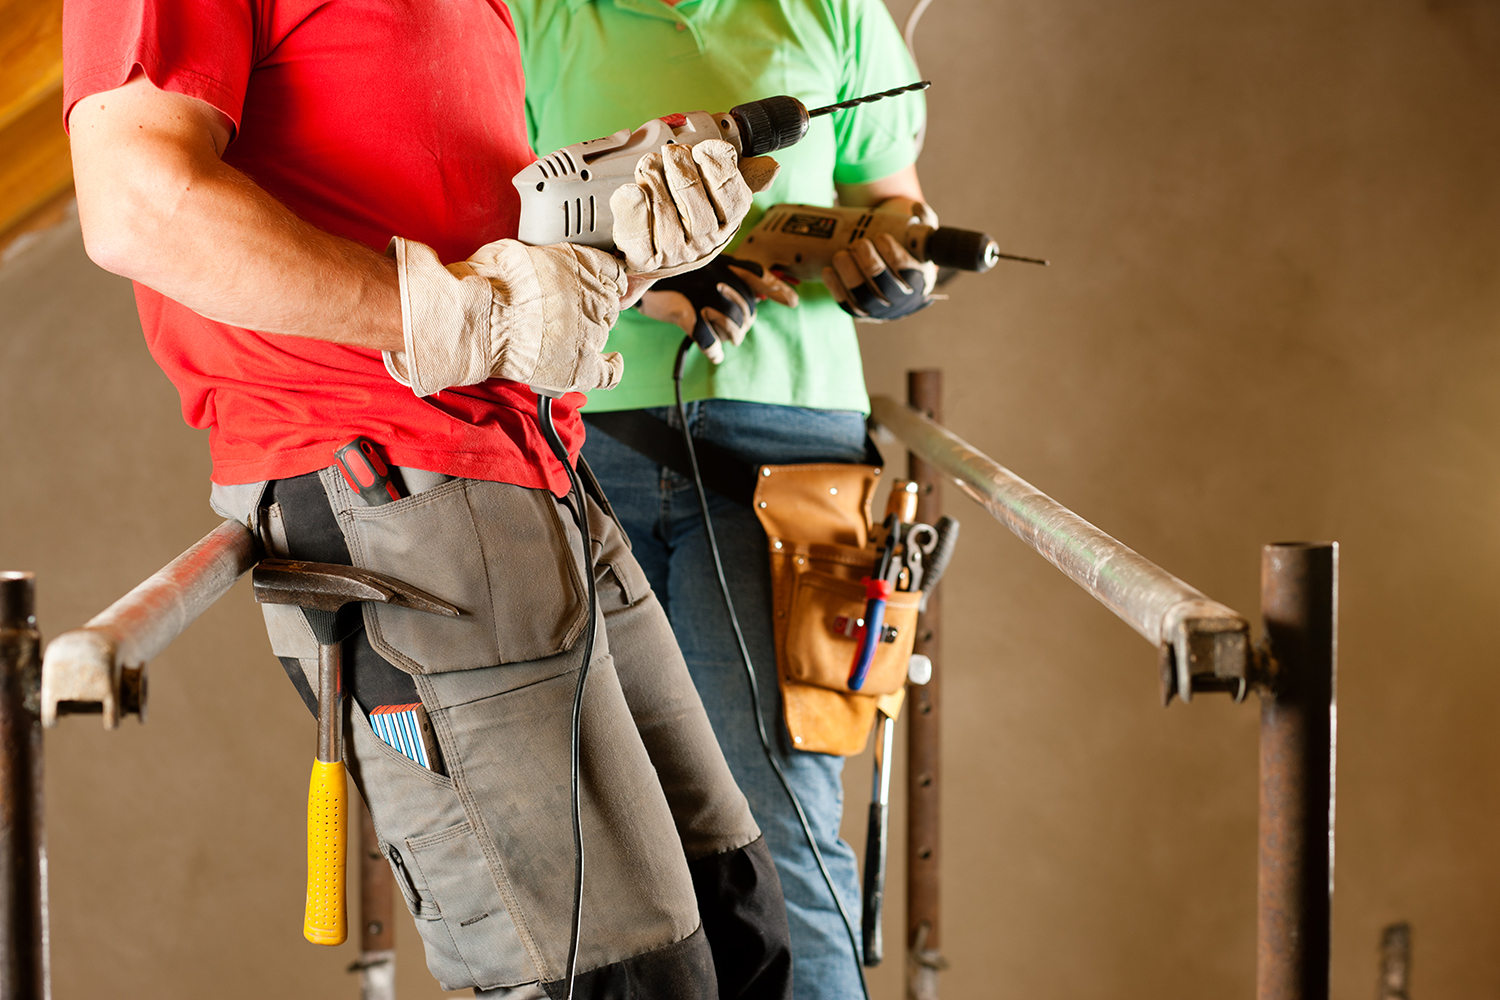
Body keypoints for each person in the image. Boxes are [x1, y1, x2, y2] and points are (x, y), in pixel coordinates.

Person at [61, 0, 796, 995]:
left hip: (542, 469)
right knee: (611, 980)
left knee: (736, 923)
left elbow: (445, 221)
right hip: (393, 491)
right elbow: (140, 201)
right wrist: (461, 313)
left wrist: (619, 245)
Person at [508, 2, 936, 997]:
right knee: (599, 840)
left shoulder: (831, 12)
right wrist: (646, 270)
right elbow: (491, 227)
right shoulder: (533, 17)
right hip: (587, 442)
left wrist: (897, 266)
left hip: (790, 461)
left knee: (775, 819)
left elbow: (898, 203)